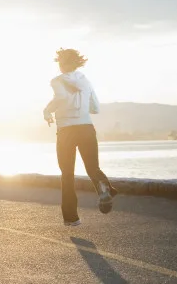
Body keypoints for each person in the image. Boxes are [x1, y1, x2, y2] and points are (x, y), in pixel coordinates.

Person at [43, 48, 117, 226]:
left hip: (67, 131)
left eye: (60, 62)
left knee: (67, 174)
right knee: (92, 167)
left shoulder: (56, 81)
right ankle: (103, 187)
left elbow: (60, 97)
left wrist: (47, 111)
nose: (59, 66)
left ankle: (71, 218)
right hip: (86, 128)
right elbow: (96, 108)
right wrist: (81, 107)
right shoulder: (86, 81)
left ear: (63, 64)